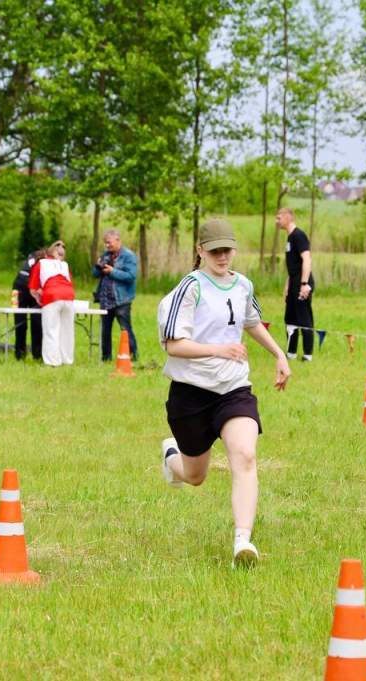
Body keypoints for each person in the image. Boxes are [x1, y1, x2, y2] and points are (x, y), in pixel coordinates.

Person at [156, 218, 291, 567]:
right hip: (190, 393)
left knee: (244, 455)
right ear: (200, 250)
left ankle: (242, 542)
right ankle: (171, 456)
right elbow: (173, 345)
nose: (222, 256)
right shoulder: (190, 287)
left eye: (227, 249)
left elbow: (251, 323)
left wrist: (279, 354)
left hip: (233, 388)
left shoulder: (243, 284)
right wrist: (219, 349)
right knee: (195, 476)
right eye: (215, 250)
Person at [92, 229, 138, 362]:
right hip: (105, 299)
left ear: (118, 240)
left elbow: (131, 276)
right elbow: (95, 274)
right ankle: (106, 358)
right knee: (105, 331)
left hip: (121, 299)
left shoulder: (129, 256)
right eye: (105, 243)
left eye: (109, 242)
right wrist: (98, 266)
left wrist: (112, 271)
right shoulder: (105, 255)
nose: (107, 245)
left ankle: (133, 356)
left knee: (125, 329)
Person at [276, 207, 315, 361]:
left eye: (279, 218)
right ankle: (291, 353)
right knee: (290, 318)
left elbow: (307, 259)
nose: (277, 221)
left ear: (288, 217)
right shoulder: (290, 237)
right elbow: (293, 266)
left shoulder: (299, 235)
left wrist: (304, 284)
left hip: (302, 281)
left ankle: (307, 355)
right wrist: (288, 286)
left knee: (304, 318)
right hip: (294, 282)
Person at [28, 240, 75, 366]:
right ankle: (67, 360)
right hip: (69, 296)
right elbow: (70, 283)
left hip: (52, 296)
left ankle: (52, 361)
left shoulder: (41, 263)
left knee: (51, 330)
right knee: (67, 331)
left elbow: (33, 288)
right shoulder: (64, 265)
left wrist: (39, 299)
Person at [12, 249, 44, 360]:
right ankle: (33, 354)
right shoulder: (46, 260)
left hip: (20, 286)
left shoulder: (33, 256)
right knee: (29, 321)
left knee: (26, 321)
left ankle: (24, 353)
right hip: (25, 286)